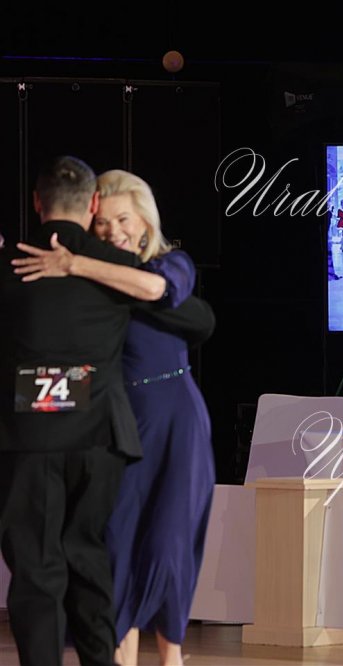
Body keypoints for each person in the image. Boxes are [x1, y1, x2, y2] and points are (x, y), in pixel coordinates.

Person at [0, 157, 212, 666]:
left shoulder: (147, 269)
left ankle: (166, 655)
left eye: (124, 219)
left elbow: (194, 314)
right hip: (109, 426)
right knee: (103, 547)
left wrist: (73, 263)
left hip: (139, 421)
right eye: (105, 221)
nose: (114, 230)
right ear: (90, 209)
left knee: (156, 541)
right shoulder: (101, 271)